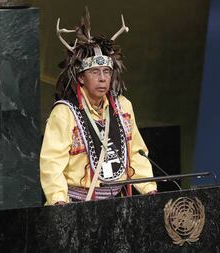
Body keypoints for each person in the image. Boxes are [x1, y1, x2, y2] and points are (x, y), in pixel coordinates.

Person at [40, 9, 157, 205]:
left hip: (118, 204)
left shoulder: (123, 107)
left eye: (106, 72)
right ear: (80, 78)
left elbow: (136, 152)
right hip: (78, 203)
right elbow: (51, 163)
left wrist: (149, 189)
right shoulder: (65, 113)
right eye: (94, 72)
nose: (102, 78)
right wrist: (59, 201)